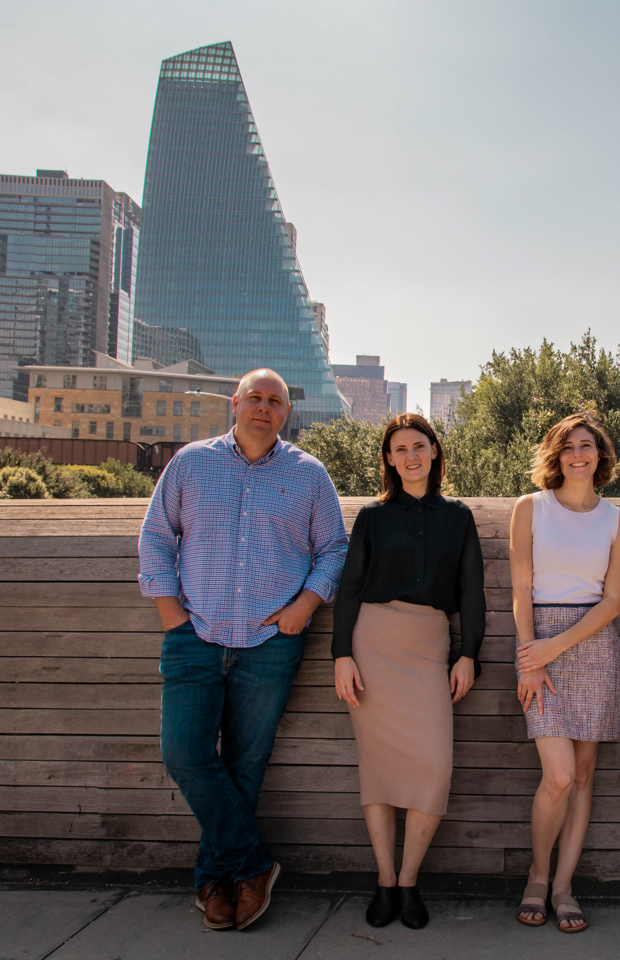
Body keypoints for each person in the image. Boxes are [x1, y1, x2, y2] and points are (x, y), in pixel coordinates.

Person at [138, 368, 348, 931]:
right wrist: (169, 614)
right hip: (194, 636)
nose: (263, 407)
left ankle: (215, 882)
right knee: (184, 755)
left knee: (245, 765)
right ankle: (253, 865)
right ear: (234, 403)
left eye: (274, 401)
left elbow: (334, 548)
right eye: (253, 398)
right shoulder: (190, 462)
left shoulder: (309, 475)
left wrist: (305, 607)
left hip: (269, 644)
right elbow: (157, 534)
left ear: (286, 412)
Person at [333, 413, 484, 930]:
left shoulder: (459, 517)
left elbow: (471, 592)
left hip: (429, 647)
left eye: (419, 445)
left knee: (434, 767)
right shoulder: (372, 518)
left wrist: (469, 655)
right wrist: (341, 654)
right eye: (399, 449)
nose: (410, 456)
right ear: (390, 460)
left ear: (435, 452)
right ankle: (385, 882)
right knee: (377, 771)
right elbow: (349, 587)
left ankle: (411, 879)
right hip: (372, 645)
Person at [511, 412, 620, 933]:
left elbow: (613, 602)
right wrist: (531, 657)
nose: (578, 454)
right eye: (567, 447)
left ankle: (563, 887)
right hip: (539, 648)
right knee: (558, 776)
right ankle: (536, 877)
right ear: (555, 456)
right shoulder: (529, 508)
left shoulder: (617, 521)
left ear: (600, 456)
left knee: (583, 776)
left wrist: (555, 647)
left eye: (587, 445)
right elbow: (520, 591)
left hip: (593, 647)